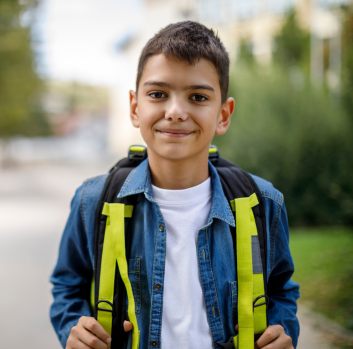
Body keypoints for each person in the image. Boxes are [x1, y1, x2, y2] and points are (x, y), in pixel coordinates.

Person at [50, 21, 300, 349]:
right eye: (158, 94)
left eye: (197, 97)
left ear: (223, 115)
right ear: (135, 107)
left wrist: (283, 330)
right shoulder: (92, 200)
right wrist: (73, 327)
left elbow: (282, 289)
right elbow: (67, 285)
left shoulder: (262, 202)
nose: (176, 112)